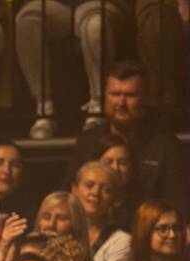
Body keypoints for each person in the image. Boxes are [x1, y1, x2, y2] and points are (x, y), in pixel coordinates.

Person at [66, 60, 186, 215]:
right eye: (115, 94)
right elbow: (67, 197)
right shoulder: (87, 141)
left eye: (130, 95)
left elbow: (179, 208)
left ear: (145, 98)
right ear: (105, 96)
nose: (121, 103)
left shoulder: (167, 146)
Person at [15, 0, 127, 138]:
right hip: (57, 5)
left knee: (94, 25)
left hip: (100, 3)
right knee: (27, 20)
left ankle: (98, 105)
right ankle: (44, 108)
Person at [72, 161, 132, 261]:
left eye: (106, 189)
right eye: (89, 185)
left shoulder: (121, 241)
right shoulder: (61, 229)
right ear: (74, 189)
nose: (95, 193)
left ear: (114, 199)